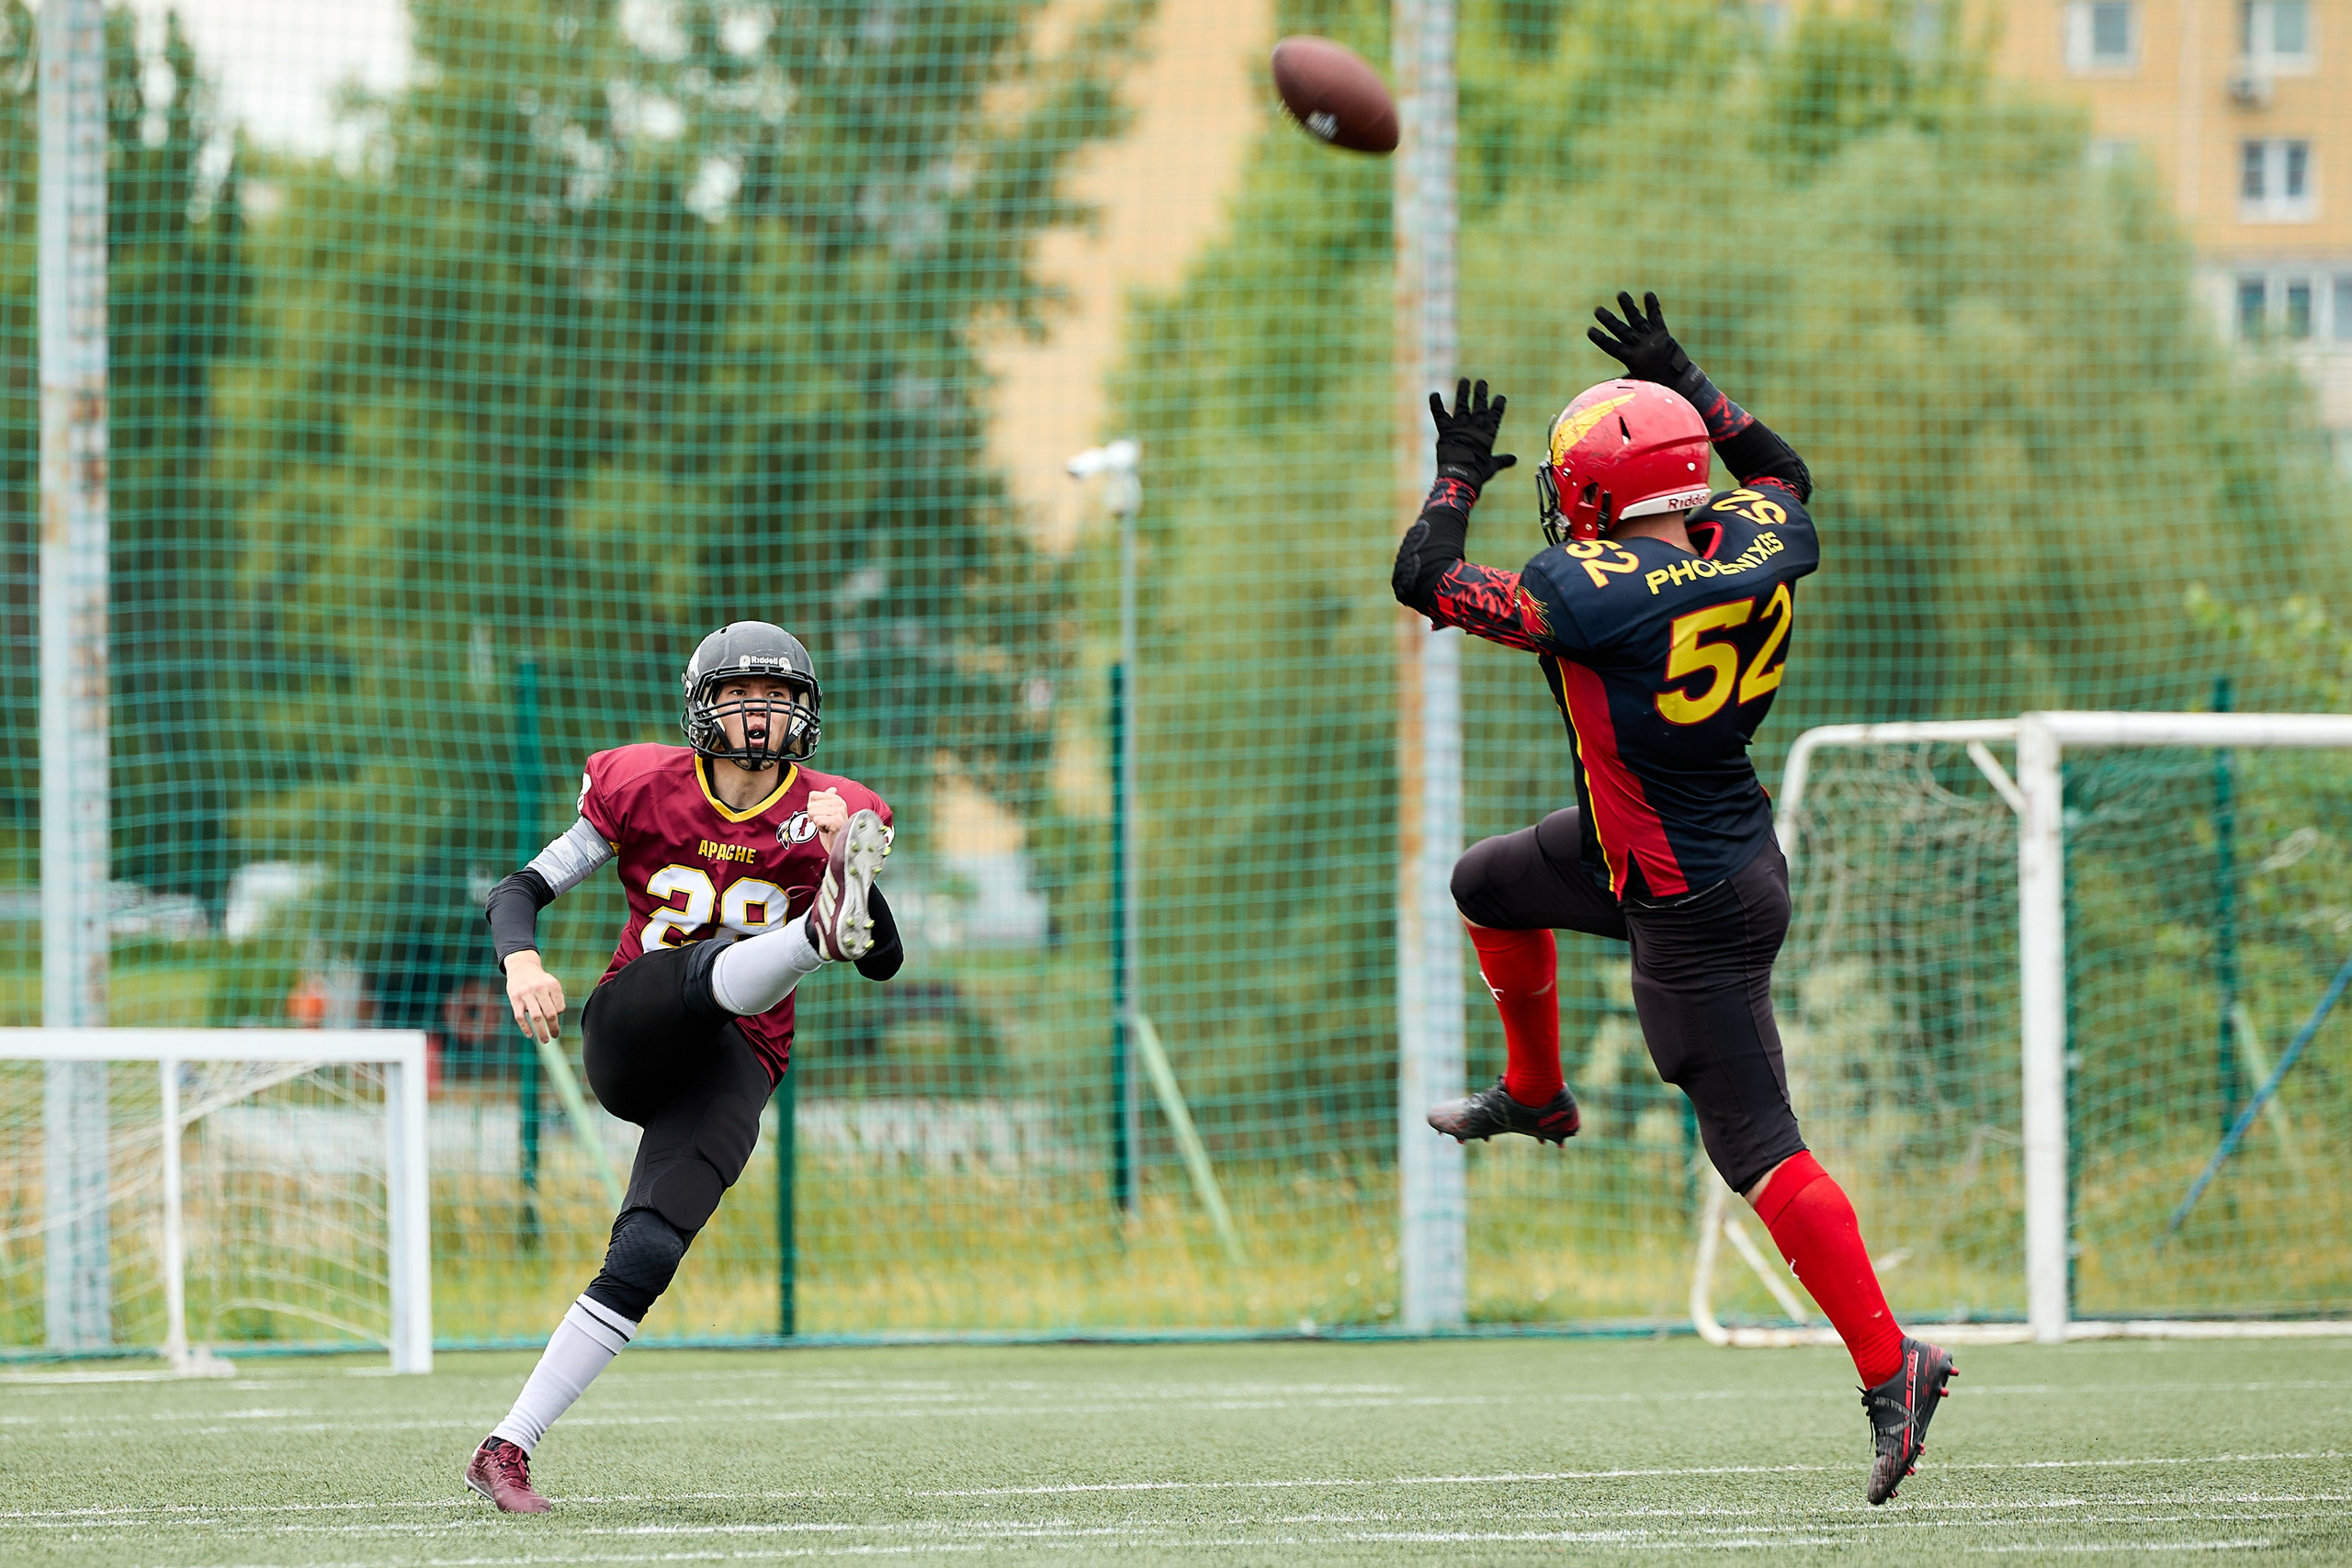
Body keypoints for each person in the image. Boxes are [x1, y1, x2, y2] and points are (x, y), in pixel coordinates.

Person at [1389, 293, 1955, 1506]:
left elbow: (1425, 578)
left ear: (1595, 496)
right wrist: (1685, 375)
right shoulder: (1763, 529)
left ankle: (1892, 1360)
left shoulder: (1591, 590)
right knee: (1487, 881)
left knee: (1756, 1145)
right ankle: (1536, 1092)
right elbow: (1782, 467)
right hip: (1673, 846)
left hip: (1686, 898)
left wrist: (1453, 476)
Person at [462, 621, 899, 1514]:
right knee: (709, 966)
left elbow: (886, 958)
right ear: (704, 705)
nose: (762, 713)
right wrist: (523, 962)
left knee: (650, 1250)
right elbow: (518, 891)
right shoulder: (643, 784)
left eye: (779, 699)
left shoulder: (832, 809)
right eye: (744, 694)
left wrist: (840, 860)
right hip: (635, 1027)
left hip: (737, 1057)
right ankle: (811, 937)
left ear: (806, 715)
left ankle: (505, 1447)